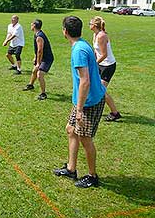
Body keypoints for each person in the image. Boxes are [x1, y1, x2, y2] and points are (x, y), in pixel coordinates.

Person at [54, 16, 106, 188]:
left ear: (65, 31)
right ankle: (71, 169)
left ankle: (92, 176)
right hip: (83, 101)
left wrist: (80, 110)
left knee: (85, 138)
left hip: (89, 102)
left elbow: (85, 81)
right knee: (71, 130)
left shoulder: (78, 51)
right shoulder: (82, 44)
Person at [90, 16, 121, 121]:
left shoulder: (102, 36)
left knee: (101, 90)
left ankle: (115, 113)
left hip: (108, 66)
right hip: (100, 64)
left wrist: (93, 64)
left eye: (90, 23)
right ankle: (94, 106)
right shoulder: (95, 35)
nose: (89, 25)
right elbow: (96, 51)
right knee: (93, 85)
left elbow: (104, 54)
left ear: (95, 25)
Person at [23, 19, 54, 100]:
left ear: (34, 26)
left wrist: (38, 63)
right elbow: (37, 50)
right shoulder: (37, 34)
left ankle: (43, 94)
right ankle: (31, 85)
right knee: (34, 71)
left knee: (39, 74)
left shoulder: (39, 36)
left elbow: (40, 50)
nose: (30, 25)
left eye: (31, 24)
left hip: (47, 59)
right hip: (42, 57)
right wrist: (35, 57)